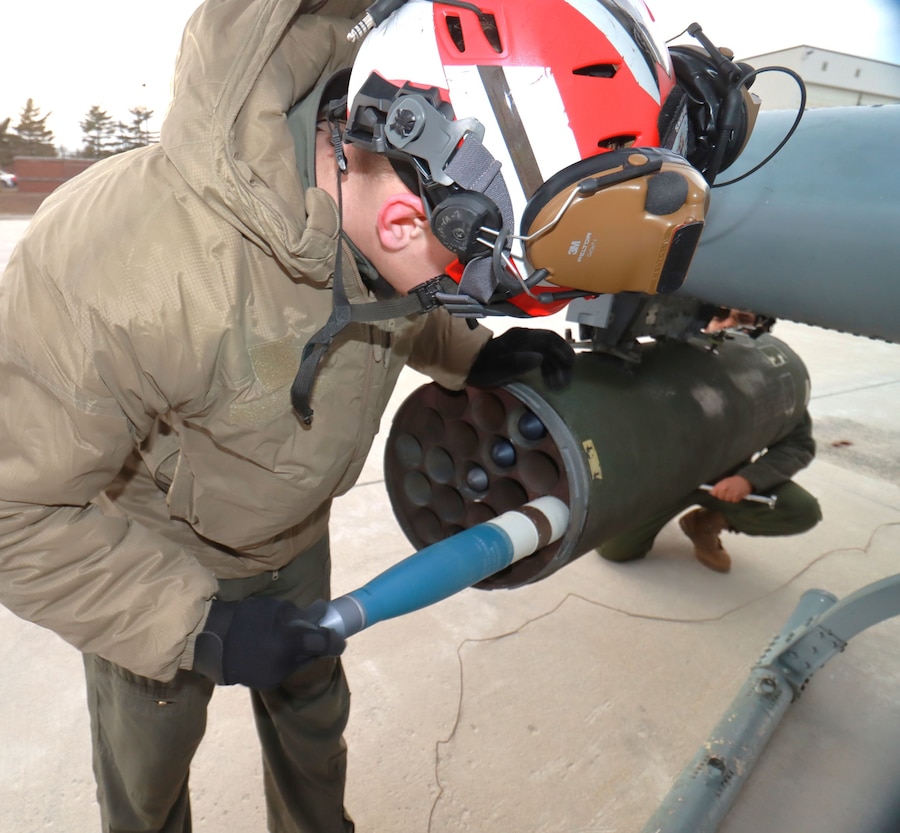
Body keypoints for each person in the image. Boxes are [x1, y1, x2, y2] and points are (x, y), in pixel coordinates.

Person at [0, 0, 699, 830]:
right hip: (156, 557)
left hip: (297, 536)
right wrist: (194, 627)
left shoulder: (391, 199)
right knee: (147, 770)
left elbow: (398, 295)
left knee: (313, 732)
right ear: (409, 219)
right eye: (465, 289)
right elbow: (15, 511)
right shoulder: (120, 263)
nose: (452, 303)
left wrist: (474, 352)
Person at [598, 311, 822, 573]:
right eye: (720, 316)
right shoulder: (664, 362)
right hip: (661, 482)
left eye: (741, 320)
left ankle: (705, 523)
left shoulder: (765, 379)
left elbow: (798, 444)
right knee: (616, 550)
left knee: (800, 510)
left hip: (719, 479)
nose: (728, 326)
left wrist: (750, 479)